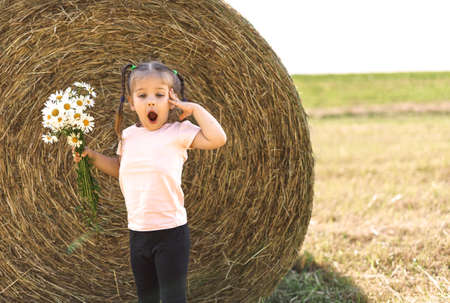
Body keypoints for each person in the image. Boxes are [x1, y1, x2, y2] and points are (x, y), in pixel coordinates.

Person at [72, 61, 227, 303]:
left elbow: (218, 138)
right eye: (142, 95)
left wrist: (195, 109)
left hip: (171, 233)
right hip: (138, 232)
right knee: (147, 298)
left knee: (173, 298)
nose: (151, 101)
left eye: (159, 94)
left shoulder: (178, 131)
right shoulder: (128, 136)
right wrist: (91, 157)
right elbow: (119, 168)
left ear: (171, 100)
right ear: (132, 103)